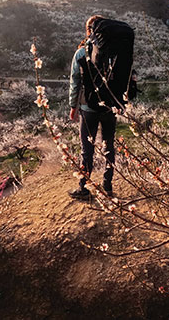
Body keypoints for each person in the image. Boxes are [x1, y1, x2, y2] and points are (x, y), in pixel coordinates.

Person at [68, 15, 117, 200]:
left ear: (89, 30)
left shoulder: (81, 53)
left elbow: (75, 82)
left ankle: (84, 187)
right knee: (109, 146)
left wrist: (73, 105)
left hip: (87, 108)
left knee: (86, 148)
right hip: (109, 108)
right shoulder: (115, 51)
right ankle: (108, 185)